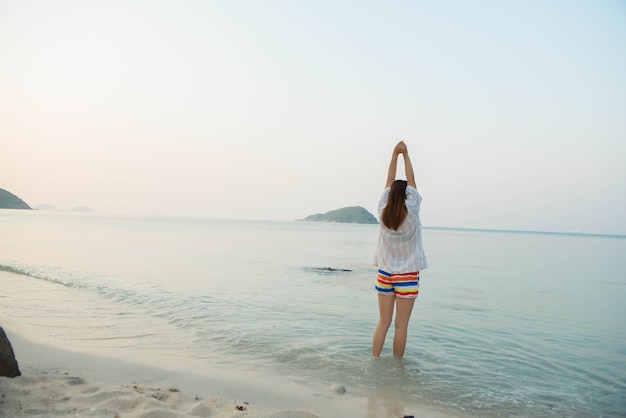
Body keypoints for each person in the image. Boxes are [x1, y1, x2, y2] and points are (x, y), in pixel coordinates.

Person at [372, 141, 428, 358]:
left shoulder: (382, 213)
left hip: (385, 274)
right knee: (401, 326)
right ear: (407, 196)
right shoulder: (412, 213)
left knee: (383, 322)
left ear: (389, 196)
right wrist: (406, 155)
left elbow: (389, 181)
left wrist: (395, 154)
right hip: (407, 275)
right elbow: (412, 182)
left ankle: (373, 362)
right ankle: (397, 371)